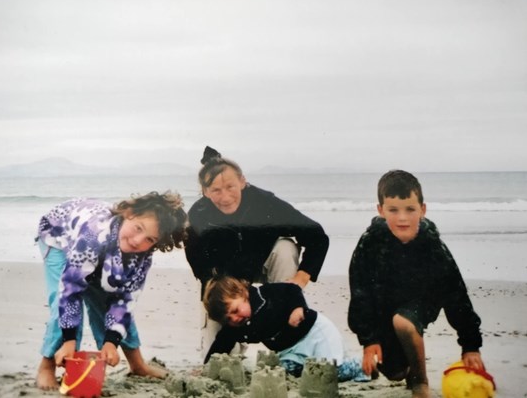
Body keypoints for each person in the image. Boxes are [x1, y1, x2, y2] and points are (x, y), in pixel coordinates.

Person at [347, 170, 486, 398]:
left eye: (410, 209)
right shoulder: (370, 243)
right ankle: (409, 371)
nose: (403, 218)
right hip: (385, 307)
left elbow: (456, 294)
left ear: (422, 209)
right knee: (394, 372)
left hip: (423, 302)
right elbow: (360, 292)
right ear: (381, 210)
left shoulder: (432, 245)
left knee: (403, 322)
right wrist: (369, 341)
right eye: (393, 210)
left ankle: (420, 381)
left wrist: (470, 345)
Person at [35, 191, 188, 390]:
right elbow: (70, 290)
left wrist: (111, 343)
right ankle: (46, 366)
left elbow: (125, 301)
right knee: (63, 300)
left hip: (101, 250)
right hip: (58, 234)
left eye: (149, 239)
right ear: (128, 213)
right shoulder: (92, 235)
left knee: (108, 296)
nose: (137, 241)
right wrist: (69, 340)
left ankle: (137, 364)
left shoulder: (141, 256)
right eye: (138, 228)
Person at [185, 146, 330, 356]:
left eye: (230, 187)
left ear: (242, 182)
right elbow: (200, 267)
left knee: (285, 247)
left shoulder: (265, 204)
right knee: (220, 358)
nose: (225, 197)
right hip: (226, 278)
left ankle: (286, 322)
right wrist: (223, 294)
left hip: (265, 262)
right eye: (216, 190)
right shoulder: (198, 216)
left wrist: (301, 277)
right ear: (205, 192)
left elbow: (317, 236)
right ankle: (232, 349)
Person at [203, 275, 370, 382]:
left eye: (235, 310)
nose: (235, 319)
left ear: (242, 293)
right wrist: (208, 367)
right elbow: (222, 343)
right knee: (284, 373)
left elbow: (292, 289)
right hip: (291, 350)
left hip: (315, 334)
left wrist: (297, 308)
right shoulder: (237, 327)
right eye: (229, 319)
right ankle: (306, 366)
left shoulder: (265, 294)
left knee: (329, 373)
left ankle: (361, 365)